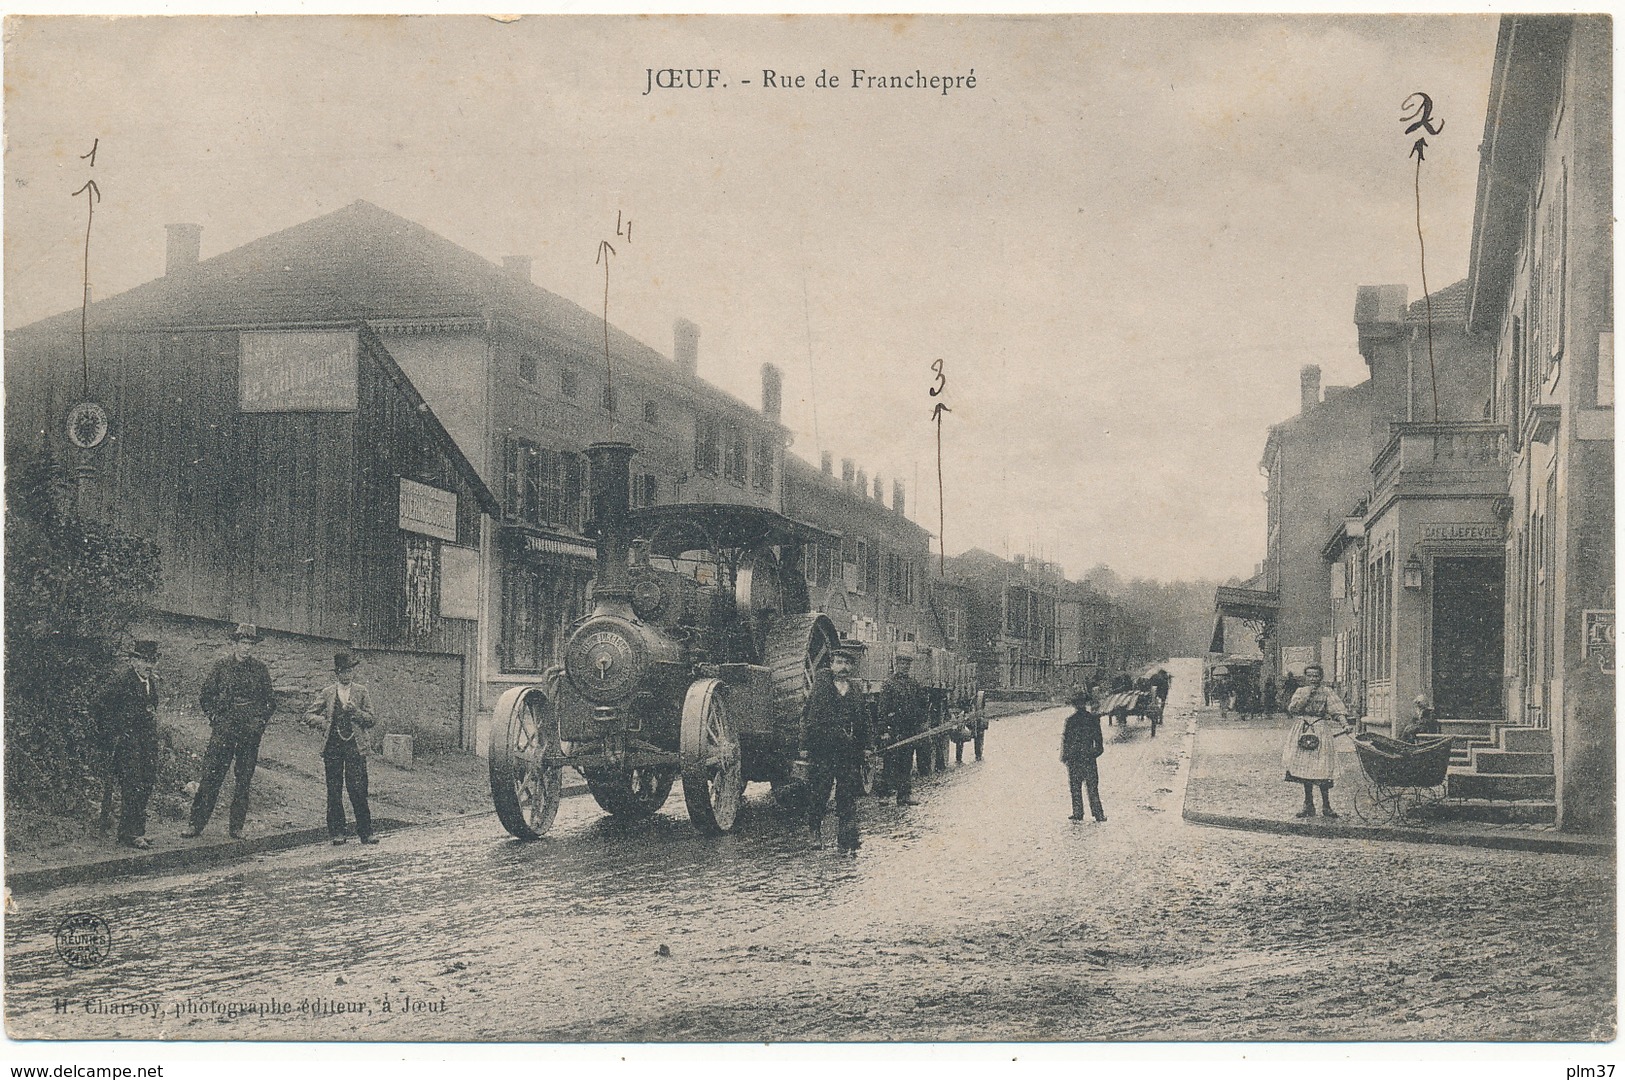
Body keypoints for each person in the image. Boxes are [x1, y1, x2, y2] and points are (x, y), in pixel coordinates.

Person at [182, 623, 275, 839]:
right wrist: (215, 717)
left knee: (244, 779)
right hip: (224, 730)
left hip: (249, 733)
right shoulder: (221, 667)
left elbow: (270, 702)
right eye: (243, 643)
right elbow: (206, 695)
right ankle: (195, 824)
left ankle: (236, 827)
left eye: (250, 644)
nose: (246, 648)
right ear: (235, 644)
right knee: (211, 775)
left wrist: (259, 723)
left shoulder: (260, 670)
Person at [94, 640, 162, 849]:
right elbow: (99, 705)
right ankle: (129, 834)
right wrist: (113, 732)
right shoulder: (122, 681)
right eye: (143, 661)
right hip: (128, 743)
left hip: (146, 742)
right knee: (132, 784)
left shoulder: (149, 683)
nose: (148, 666)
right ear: (133, 661)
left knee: (146, 782)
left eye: (151, 661)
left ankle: (137, 831)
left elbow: (151, 709)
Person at [804, 643, 871, 852]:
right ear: (831, 665)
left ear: (851, 668)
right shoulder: (823, 686)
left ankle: (847, 836)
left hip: (848, 752)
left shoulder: (855, 689)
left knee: (847, 793)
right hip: (824, 749)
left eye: (847, 663)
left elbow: (863, 720)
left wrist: (866, 746)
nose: (842, 667)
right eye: (838, 662)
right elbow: (812, 718)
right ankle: (814, 831)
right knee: (820, 791)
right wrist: (809, 746)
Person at [307, 651, 378, 845]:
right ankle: (337, 832)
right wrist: (324, 723)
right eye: (343, 672)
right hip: (333, 746)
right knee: (334, 789)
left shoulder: (362, 691)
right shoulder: (328, 692)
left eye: (350, 671)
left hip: (355, 746)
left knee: (358, 788)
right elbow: (309, 714)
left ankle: (366, 832)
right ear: (337, 673)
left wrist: (356, 713)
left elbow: (371, 719)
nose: (347, 675)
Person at [1282, 663, 1351, 818]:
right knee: (1305, 767)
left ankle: (1327, 806)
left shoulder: (1327, 692)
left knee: (1322, 767)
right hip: (1302, 729)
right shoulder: (1300, 691)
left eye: (1316, 676)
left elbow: (1337, 709)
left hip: (1320, 729)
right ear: (1306, 677)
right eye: (1310, 676)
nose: (1313, 679)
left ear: (1321, 677)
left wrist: (1345, 724)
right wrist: (1305, 696)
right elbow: (1292, 709)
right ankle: (1308, 804)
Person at [879, 651, 926, 806]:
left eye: (907, 664)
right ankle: (884, 795)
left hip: (909, 729)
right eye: (902, 664)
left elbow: (921, 705)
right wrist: (884, 730)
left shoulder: (913, 684)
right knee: (889, 762)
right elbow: (882, 710)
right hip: (893, 728)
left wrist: (920, 723)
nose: (904, 667)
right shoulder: (889, 684)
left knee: (906, 761)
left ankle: (904, 795)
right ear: (896, 665)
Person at [1060, 687, 1106, 822]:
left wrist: (1092, 754)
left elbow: (1099, 742)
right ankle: (1079, 812)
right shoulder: (1073, 721)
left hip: (1084, 758)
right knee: (1077, 787)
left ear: (1083, 704)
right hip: (1080, 758)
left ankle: (1097, 814)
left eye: (1081, 703)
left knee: (1090, 787)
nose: (1079, 706)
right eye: (1077, 703)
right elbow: (1066, 740)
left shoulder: (1090, 720)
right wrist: (1066, 756)